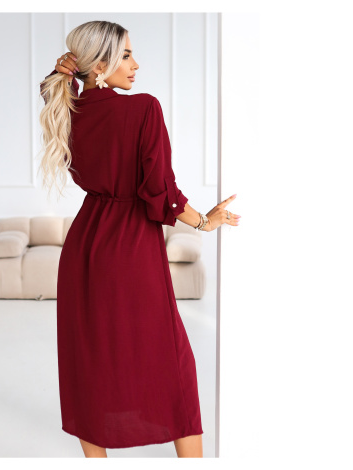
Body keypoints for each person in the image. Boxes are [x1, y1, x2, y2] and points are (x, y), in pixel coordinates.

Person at [38, 20, 241, 458]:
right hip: (129, 249)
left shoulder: (68, 107)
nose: (135, 65)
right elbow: (159, 192)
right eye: (126, 55)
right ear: (99, 65)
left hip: (84, 246)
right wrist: (204, 222)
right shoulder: (143, 109)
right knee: (172, 363)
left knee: (91, 360)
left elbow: (52, 89)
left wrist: (62, 74)